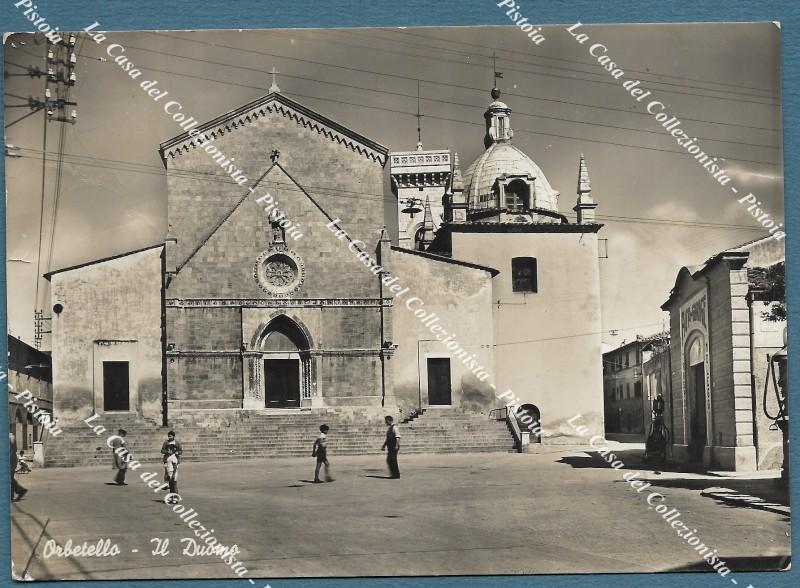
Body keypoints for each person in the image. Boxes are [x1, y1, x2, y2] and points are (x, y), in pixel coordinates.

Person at [9, 433, 28, 501]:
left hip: (10, 460)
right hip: (10, 460)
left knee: (8, 478)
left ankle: (12, 495)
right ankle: (20, 490)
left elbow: (12, 450)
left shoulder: (10, 437)